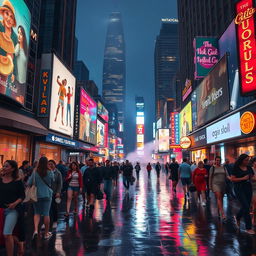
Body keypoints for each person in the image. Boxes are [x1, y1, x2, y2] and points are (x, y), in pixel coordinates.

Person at [0, 160, 25, 256]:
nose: (4, 167)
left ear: (13, 169)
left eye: (6, 166)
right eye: (4, 166)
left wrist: (14, 204)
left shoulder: (17, 182)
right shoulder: (0, 179)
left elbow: (22, 196)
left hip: (12, 210)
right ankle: (19, 243)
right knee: (3, 234)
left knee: (6, 234)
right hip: (0, 209)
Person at [28, 157, 54, 240]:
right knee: (46, 214)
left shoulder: (35, 171)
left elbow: (29, 182)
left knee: (37, 213)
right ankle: (46, 233)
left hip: (37, 195)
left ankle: (35, 230)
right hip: (47, 194)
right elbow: (52, 180)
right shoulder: (50, 171)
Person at [231, 154, 254, 235]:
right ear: (241, 160)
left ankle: (238, 217)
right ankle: (248, 228)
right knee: (246, 207)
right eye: (246, 160)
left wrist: (252, 179)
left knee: (246, 206)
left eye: (248, 160)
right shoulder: (236, 168)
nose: (247, 161)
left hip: (248, 188)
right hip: (239, 188)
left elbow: (252, 177)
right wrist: (243, 178)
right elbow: (232, 179)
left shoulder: (249, 168)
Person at [209, 156, 229, 222]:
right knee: (218, 197)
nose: (218, 161)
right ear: (215, 161)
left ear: (220, 160)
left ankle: (219, 210)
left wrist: (232, 179)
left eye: (219, 160)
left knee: (221, 199)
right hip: (215, 184)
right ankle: (223, 214)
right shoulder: (213, 168)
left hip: (223, 185)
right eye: (217, 160)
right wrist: (210, 186)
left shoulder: (223, 167)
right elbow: (210, 177)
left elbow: (227, 175)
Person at [14, 25, 28, 104]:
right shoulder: (17, 46)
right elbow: (13, 55)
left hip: (24, 82)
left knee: (22, 101)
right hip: (17, 80)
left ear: (24, 36)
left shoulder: (25, 50)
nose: (19, 35)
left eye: (21, 33)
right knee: (18, 101)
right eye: (18, 32)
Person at [48, 160, 62, 229]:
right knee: (47, 208)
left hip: (54, 192)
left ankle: (55, 221)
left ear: (54, 164)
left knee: (54, 207)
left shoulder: (58, 173)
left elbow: (60, 183)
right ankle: (47, 222)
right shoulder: (47, 172)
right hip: (47, 192)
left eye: (51, 164)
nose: (50, 166)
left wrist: (58, 192)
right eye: (49, 164)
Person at [251, 158, 256, 226]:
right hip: (252, 188)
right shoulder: (251, 169)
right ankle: (254, 219)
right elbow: (251, 178)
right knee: (255, 204)